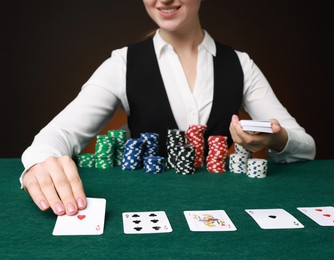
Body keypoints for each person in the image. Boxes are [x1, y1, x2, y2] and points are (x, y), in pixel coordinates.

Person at [21, 0, 316, 216]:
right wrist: (41, 162)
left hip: (225, 215)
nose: (164, 0)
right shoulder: (122, 64)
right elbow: (56, 135)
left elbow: (305, 146)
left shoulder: (241, 64)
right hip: (145, 213)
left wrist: (277, 139)